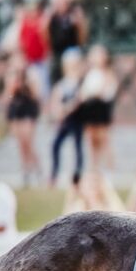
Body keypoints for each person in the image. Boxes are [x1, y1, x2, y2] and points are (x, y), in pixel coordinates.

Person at [4, 52, 42, 187]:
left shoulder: (31, 75)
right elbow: (8, 97)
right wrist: (13, 88)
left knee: (28, 142)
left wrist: (26, 86)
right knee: (21, 144)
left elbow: (35, 95)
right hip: (16, 111)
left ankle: (37, 170)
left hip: (28, 110)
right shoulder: (11, 76)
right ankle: (25, 171)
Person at [49, 48, 86, 186]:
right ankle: (54, 173)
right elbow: (56, 100)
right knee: (56, 145)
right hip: (66, 120)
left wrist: (65, 109)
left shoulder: (80, 82)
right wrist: (60, 111)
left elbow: (78, 100)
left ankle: (78, 175)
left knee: (77, 147)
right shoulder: (63, 83)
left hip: (76, 119)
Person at [80, 44, 118, 171]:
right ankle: (94, 165)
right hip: (90, 107)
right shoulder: (90, 73)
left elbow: (107, 91)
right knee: (91, 139)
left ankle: (110, 166)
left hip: (100, 107)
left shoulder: (107, 73)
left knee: (103, 138)